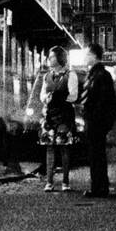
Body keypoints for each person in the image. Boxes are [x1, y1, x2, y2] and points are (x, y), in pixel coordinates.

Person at [38, 45, 80, 192]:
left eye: (52, 56)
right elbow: (42, 95)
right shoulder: (47, 75)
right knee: (49, 147)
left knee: (64, 147)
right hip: (49, 115)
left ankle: (65, 182)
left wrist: (59, 98)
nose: (49, 59)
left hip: (64, 115)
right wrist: (47, 98)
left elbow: (73, 95)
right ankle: (49, 181)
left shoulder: (71, 74)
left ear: (59, 58)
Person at [79, 43, 116, 198]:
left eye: (87, 54)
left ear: (94, 56)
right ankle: (99, 186)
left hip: (96, 122)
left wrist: (96, 117)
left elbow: (104, 101)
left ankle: (99, 188)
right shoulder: (94, 74)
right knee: (95, 155)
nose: (84, 57)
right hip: (93, 120)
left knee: (97, 155)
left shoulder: (101, 75)